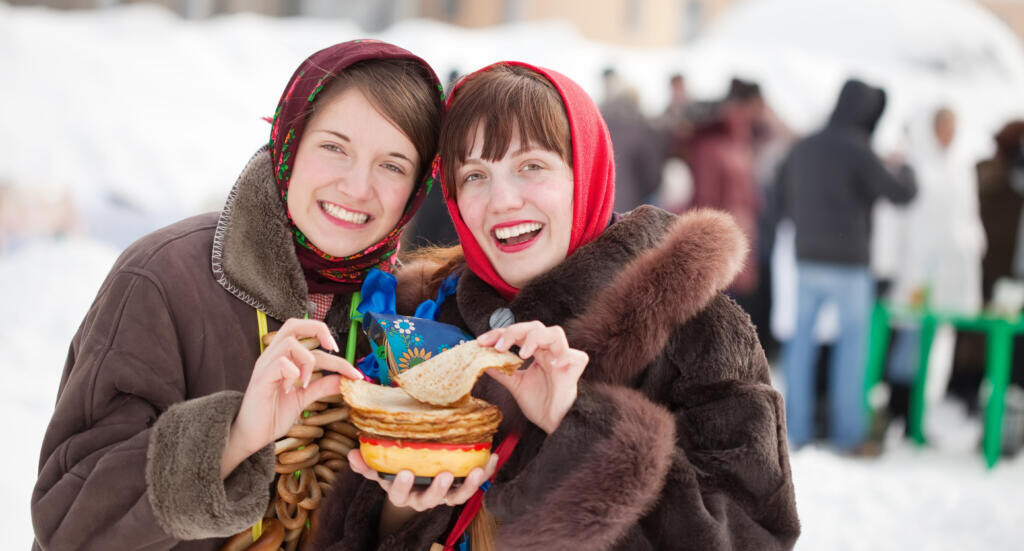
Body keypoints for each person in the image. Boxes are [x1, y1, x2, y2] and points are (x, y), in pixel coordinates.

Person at [313, 62, 800, 550]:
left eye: (531, 166)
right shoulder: (431, 318)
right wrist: (404, 505)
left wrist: (576, 423)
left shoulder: (698, 330)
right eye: (476, 175)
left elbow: (752, 538)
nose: (502, 200)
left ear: (584, 172)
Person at [30, 40, 443, 550]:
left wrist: (409, 498)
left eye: (393, 165)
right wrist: (238, 435)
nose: (357, 187)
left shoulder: (407, 317)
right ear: (289, 142)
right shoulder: (162, 278)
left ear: (419, 187)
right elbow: (71, 528)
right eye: (334, 147)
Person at [776, 78, 916, 452]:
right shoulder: (860, 150)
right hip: (850, 263)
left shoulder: (804, 146)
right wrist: (905, 167)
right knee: (852, 349)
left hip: (806, 258)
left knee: (800, 345)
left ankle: (795, 430)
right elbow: (901, 195)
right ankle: (848, 434)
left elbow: (779, 195)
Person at [883, 107, 986, 427]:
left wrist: (971, 246)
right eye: (943, 127)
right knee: (909, 339)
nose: (948, 135)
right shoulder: (913, 165)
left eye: (952, 128)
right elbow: (896, 220)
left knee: (935, 343)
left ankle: (919, 411)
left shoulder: (959, 168)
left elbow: (968, 216)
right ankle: (899, 407)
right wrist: (891, 264)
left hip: (951, 271)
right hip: (916, 269)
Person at [685, 78, 765, 298]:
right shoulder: (711, 144)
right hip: (719, 243)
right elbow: (705, 200)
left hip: (740, 237)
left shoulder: (742, 140)